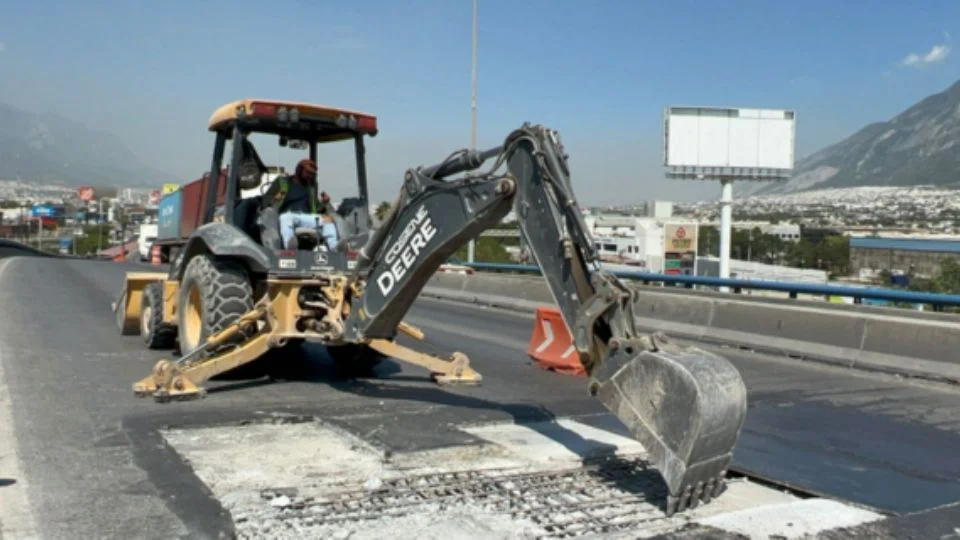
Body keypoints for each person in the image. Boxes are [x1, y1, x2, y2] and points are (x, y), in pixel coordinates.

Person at [265, 159, 338, 250]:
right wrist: (274, 199)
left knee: (328, 220)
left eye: (312, 174)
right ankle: (289, 247)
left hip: (307, 217)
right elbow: (265, 201)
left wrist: (325, 202)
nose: (310, 176)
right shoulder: (282, 182)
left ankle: (335, 247)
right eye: (308, 172)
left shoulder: (310, 187)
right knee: (285, 218)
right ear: (299, 170)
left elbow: (317, 208)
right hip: (289, 216)